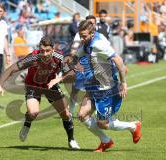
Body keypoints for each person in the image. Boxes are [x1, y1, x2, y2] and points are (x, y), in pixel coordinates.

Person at [48, 20, 141, 152]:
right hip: (93, 87)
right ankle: (106, 141)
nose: (82, 38)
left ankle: (133, 126)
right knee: (82, 115)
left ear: (92, 33)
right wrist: (60, 77)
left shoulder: (99, 44)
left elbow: (118, 60)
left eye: (84, 36)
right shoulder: (85, 45)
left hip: (107, 89)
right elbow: (74, 61)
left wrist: (123, 82)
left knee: (103, 123)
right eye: (80, 35)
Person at [0, 36, 80, 149]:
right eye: (42, 50)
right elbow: (11, 70)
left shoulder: (59, 58)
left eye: (47, 51)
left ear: (53, 49)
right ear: (39, 48)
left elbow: (72, 73)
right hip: (33, 86)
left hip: (50, 85)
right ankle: (27, 123)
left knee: (66, 114)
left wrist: (58, 79)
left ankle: (71, 140)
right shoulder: (33, 57)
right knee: (33, 112)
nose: (44, 53)